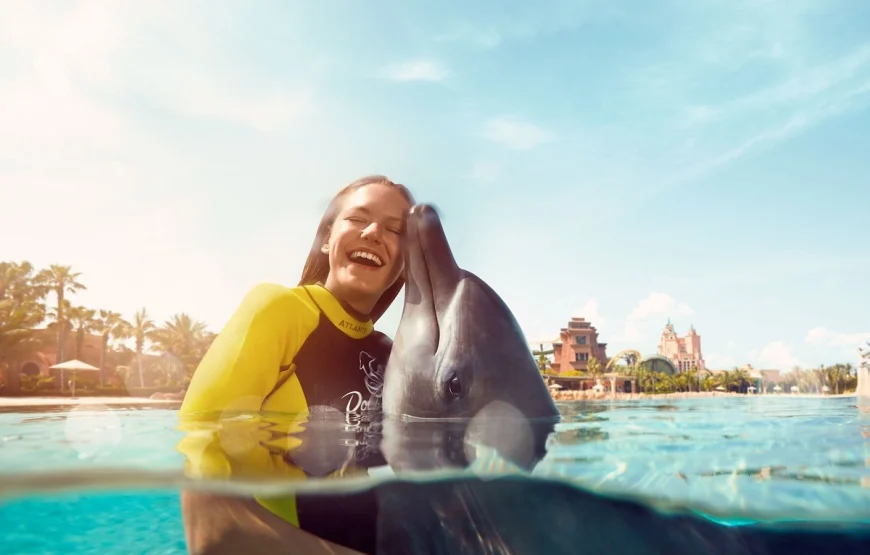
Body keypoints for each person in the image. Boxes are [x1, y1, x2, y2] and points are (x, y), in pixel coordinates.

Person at [176, 175, 416, 555]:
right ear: (326, 239)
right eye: (357, 218)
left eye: (394, 230)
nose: (372, 232)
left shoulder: (392, 355)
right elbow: (205, 492)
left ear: (404, 264)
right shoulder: (279, 309)